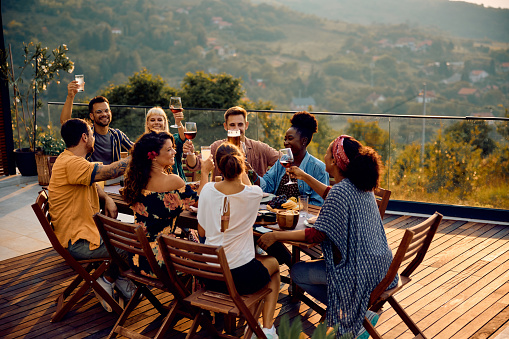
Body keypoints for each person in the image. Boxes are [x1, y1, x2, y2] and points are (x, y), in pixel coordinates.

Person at [257, 135, 398, 338]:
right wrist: (304, 176)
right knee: (313, 271)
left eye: (327, 152)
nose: (323, 156)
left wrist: (275, 236)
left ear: (334, 161)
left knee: (297, 272)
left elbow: (316, 235)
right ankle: (359, 312)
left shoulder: (342, 191)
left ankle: (353, 314)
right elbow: (330, 193)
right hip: (382, 269)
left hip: (359, 274)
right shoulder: (360, 186)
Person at [48, 118, 135, 312]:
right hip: (78, 243)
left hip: (83, 233)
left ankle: (118, 278)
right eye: (92, 134)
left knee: (124, 234)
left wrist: (107, 199)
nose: (95, 137)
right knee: (132, 245)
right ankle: (107, 279)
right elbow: (110, 172)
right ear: (84, 137)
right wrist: (138, 155)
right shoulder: (72, 163)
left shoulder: (71, 161)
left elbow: (94, 182)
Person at [197, 142, 280, 339]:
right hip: (238, 279)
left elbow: (201, 230)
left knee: (259, 266)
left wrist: (203, 173)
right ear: (241, 164)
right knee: (275, 265)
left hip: (211, 275)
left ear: (218, 166)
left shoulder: (207, 190)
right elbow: (247, 189)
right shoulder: (253, 194)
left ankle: (258, 328)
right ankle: (266, 330)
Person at [121, 131, 213, 277]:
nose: (174, 152)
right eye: (169, 149)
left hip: (138, 256)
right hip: (162, 260)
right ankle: (194, 297)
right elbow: (201, 202)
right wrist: (204, 173)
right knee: (206, 256)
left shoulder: (136, 180)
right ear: (154, 155)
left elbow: (164, 196)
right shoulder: (172, 181)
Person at [185, 106, 279, 179]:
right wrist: (190, 153)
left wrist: (269, 180)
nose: (237, 129)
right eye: (232, 125)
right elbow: (195, 165)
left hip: (251, 198)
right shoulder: (217, 146)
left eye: (240, 124)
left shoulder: (260, 147)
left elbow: (282, 161)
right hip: (223, 197)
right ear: (225, 126)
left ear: (246, 125)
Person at [258, 111, 329, 206]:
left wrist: (293, 208)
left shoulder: (318, 168)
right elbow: (266, 186)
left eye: (290, 139)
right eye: (285, 139)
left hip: (302, 218)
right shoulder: (282, 161)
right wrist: (250, 172)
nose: (286, 142)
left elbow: (318, 204)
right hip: (277, 215)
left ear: (304, 141)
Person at [60, 80, 133, 165]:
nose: (104, 114)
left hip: (113, 176)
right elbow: (65, 123)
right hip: (91, 176)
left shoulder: (117, 134)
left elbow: (136, 149)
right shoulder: (87, 134)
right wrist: (70, 96)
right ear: (91, 116)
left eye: (106, 111)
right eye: (99, 112)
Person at [144, 106, 189, 181]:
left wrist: (178, 122)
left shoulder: (172, 140)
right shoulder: (143, 143)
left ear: (165, 123)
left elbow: (183, 137)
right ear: (147, 123)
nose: (156, 123)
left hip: (176, 185)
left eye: (159, 120)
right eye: (152, 120)